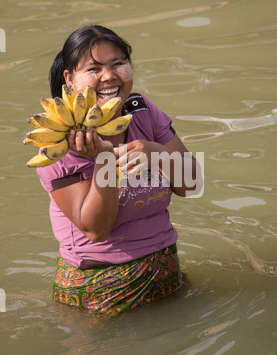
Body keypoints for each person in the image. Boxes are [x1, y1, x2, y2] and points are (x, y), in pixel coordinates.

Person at [36, 24, 202, 317]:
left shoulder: (141, 110)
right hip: (100, 292)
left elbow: (192, 184)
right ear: (70, 79)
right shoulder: (57, 143)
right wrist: (104, 163)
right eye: (94, 68)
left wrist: (158, 153)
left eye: (118, 64)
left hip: (164, 271)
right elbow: (96, 229)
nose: (109, 76)